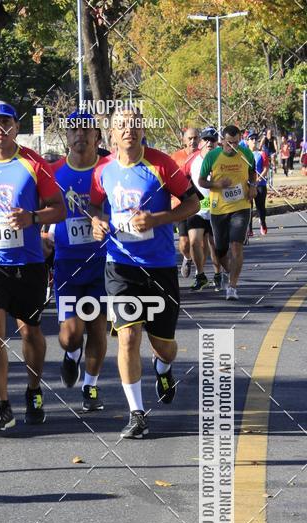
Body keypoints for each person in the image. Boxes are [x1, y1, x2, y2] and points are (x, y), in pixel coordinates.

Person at [89, 107, 200, 439]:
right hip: (120, 266)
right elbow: (95, 205)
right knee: (128, 336)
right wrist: (97, 220)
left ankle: (163, 366)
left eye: (135, 124)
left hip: (159, 266)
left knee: (163, 345)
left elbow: (193, 203)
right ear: (111, 135)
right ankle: (137, 414)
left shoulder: (162, 164)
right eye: (121, 125)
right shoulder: (103, 170)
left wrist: (157, 219)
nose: (129, 130)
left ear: (142, 129)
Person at [0, 101, 66, 432]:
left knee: (29, 331)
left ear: (16, 128)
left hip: (28, 262)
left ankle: (34, 389)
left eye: (6, 122)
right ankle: (1, 405)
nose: (0, 128)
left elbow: (59, 208)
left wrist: (32, 217)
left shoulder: (34, 164)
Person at [48, 110, 108, 412]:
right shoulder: (53, 172)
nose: (80, 134)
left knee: (97, 327)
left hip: (104, 262)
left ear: (97, 136)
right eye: (73, 130)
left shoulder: (110, 169)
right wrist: (43, 233)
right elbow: (42, 207)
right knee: (71, 335)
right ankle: (72, 354)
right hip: (67, 262)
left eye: (86, 129)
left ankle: (90, 386)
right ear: (67, 137)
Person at [198, 124, 256, 301]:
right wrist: (217, 184)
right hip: (219, 209)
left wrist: (253, 186)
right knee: (220, 250)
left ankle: (232, 287)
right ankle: (230, 271)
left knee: (236, 245)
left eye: (236, 142)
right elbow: (201, 181)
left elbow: (252, 172)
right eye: (229, 143)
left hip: (241, 207)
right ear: (222, 141)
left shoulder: (246, 154)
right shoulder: (212, 156)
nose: (233, 146)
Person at [182, 127, 222, 292]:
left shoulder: (223, 159)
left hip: (217, 209)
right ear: (201, 142)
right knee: (194, 242)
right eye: (206, 139)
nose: (209, 143)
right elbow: (182, 179)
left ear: (217, 143)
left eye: (213, 140)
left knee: (215, 245)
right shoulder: (192, 160)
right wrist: (189, 197)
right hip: (198, 209)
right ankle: (200, 275)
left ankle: (218, 274)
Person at [170, 127, 200, 278]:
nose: (193, 141)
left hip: (200, 205)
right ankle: (187, 258)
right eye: (190, 138)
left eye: (195, 138)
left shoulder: (203, 156)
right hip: (181, 204)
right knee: (184, 242)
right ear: (184, 140)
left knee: (198, 240)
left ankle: (200, 271)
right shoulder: (175, 157)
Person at [247, 131, 269, 236]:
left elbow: (266, 168)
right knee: (248, 208)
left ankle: (263, 223)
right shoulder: (244, 154)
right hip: (248, 185)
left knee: (260, 207)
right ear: (247, 141)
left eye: (256, 139)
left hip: (260, 185)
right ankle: (249, 229)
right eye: (251, 139)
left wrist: (259, 179)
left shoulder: (261, 153)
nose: (254, 141)